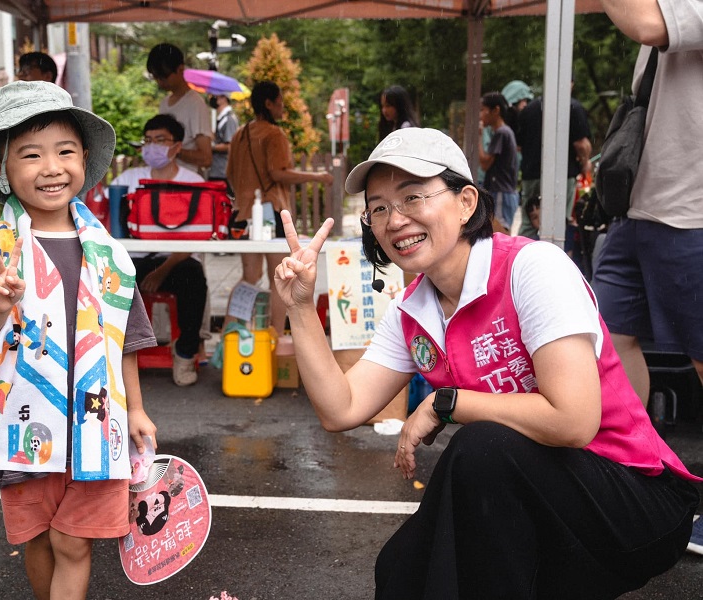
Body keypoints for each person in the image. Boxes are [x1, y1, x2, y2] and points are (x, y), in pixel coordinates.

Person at [272, 127, 700, 599]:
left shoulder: (532, 268)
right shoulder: (414, 310)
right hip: (541, 500)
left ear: (466, 202)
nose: (394, 220)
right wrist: (298, 305)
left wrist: (445, 402)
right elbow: (342, 409)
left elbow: (574, 421)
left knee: (482, 450)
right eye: (378, 208)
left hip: (635, 500)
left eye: (413, 196)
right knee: (401, 570)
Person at [0, 80, 158, 599]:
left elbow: (124, 340)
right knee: (36, 539)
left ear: (84, 158)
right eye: (31, 155)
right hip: (24, 426)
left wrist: (138, 410)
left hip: (96, 424)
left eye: (65, 151)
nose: (51, 167)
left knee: (72, 541)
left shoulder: (110, 255)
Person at [594, 4, 703, 424]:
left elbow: (644, 24)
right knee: (605, 339)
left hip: (689, 216)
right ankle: (634, 454)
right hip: (638, 210)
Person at [108, 114, 209, 387]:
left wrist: (162, 271)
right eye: (148, 140)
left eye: (160, 140)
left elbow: (198, 239)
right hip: (136, 258)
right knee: (111, 280)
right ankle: (116, 352)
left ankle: (185, 352)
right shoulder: (128, 179)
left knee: (193, 276)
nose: (152, 147)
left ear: (177, 146)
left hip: (178, 259)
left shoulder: (195, 182)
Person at [226, 81, 333, 333]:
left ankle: (229, 334)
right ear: (268, 103)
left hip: (241, 215)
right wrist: (316, 177)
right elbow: (278, 172)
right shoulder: (274, 134)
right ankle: (274, 336)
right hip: (270, 214)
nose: (283, 107)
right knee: (280, 277)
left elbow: (230, 175)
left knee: (249, 277)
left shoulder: (239, 134)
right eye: (280, 101)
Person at [517, 85, 593, 240]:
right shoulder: (573, 107)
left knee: (529, 222)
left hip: (531, 174)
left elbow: (518, 146)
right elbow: (581, 144)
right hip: (563, 175)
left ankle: (522, 255)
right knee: (560, 222)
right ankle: (556, 255)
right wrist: (585, 163)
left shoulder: (529, 109)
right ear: (570, 83)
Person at [146, 43, 213, 173]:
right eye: (156, 77)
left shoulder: (195, 104)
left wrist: (172, 150)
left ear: (180, 69)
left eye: (164, 76)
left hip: (187, 183)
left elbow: (206, 158)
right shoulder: (164, 103)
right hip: (164, 178)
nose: (160, 82)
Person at [477, 92, 519, 230]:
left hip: (501, 191)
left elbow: (484, 164)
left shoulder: (501, 133)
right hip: (505, 191)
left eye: (482, 110)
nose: (480, 115)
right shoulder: (505, 132)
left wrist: (478, 136)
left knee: (500, 232)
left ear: (496, 110)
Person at [208, 94, 239, 184]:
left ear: (223, 99)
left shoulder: (229, 119)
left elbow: (229, 145)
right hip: (217, 169)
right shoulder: (222, 118)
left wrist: (211, 147)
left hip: (222, 171)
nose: (212, 99)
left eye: (215, 96)